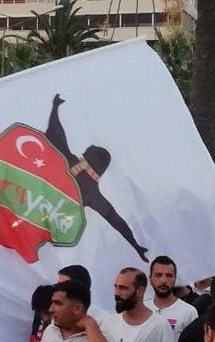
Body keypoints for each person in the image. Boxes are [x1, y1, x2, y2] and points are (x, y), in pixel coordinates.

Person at [44, 94, 149, 261]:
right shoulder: (93, 193)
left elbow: (56, 134)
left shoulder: (86, 184)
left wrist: (55, 108)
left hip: (42, 214)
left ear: (94, 160)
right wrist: (55, 108)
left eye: (90, 150)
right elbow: (56, 134)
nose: (87, 148)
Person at [147, 256, 198, 337]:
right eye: (158, 275)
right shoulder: (141, 309)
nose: (163, 280)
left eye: (169, 275)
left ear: (175, 279)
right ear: (150, 279)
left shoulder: (189, 312)